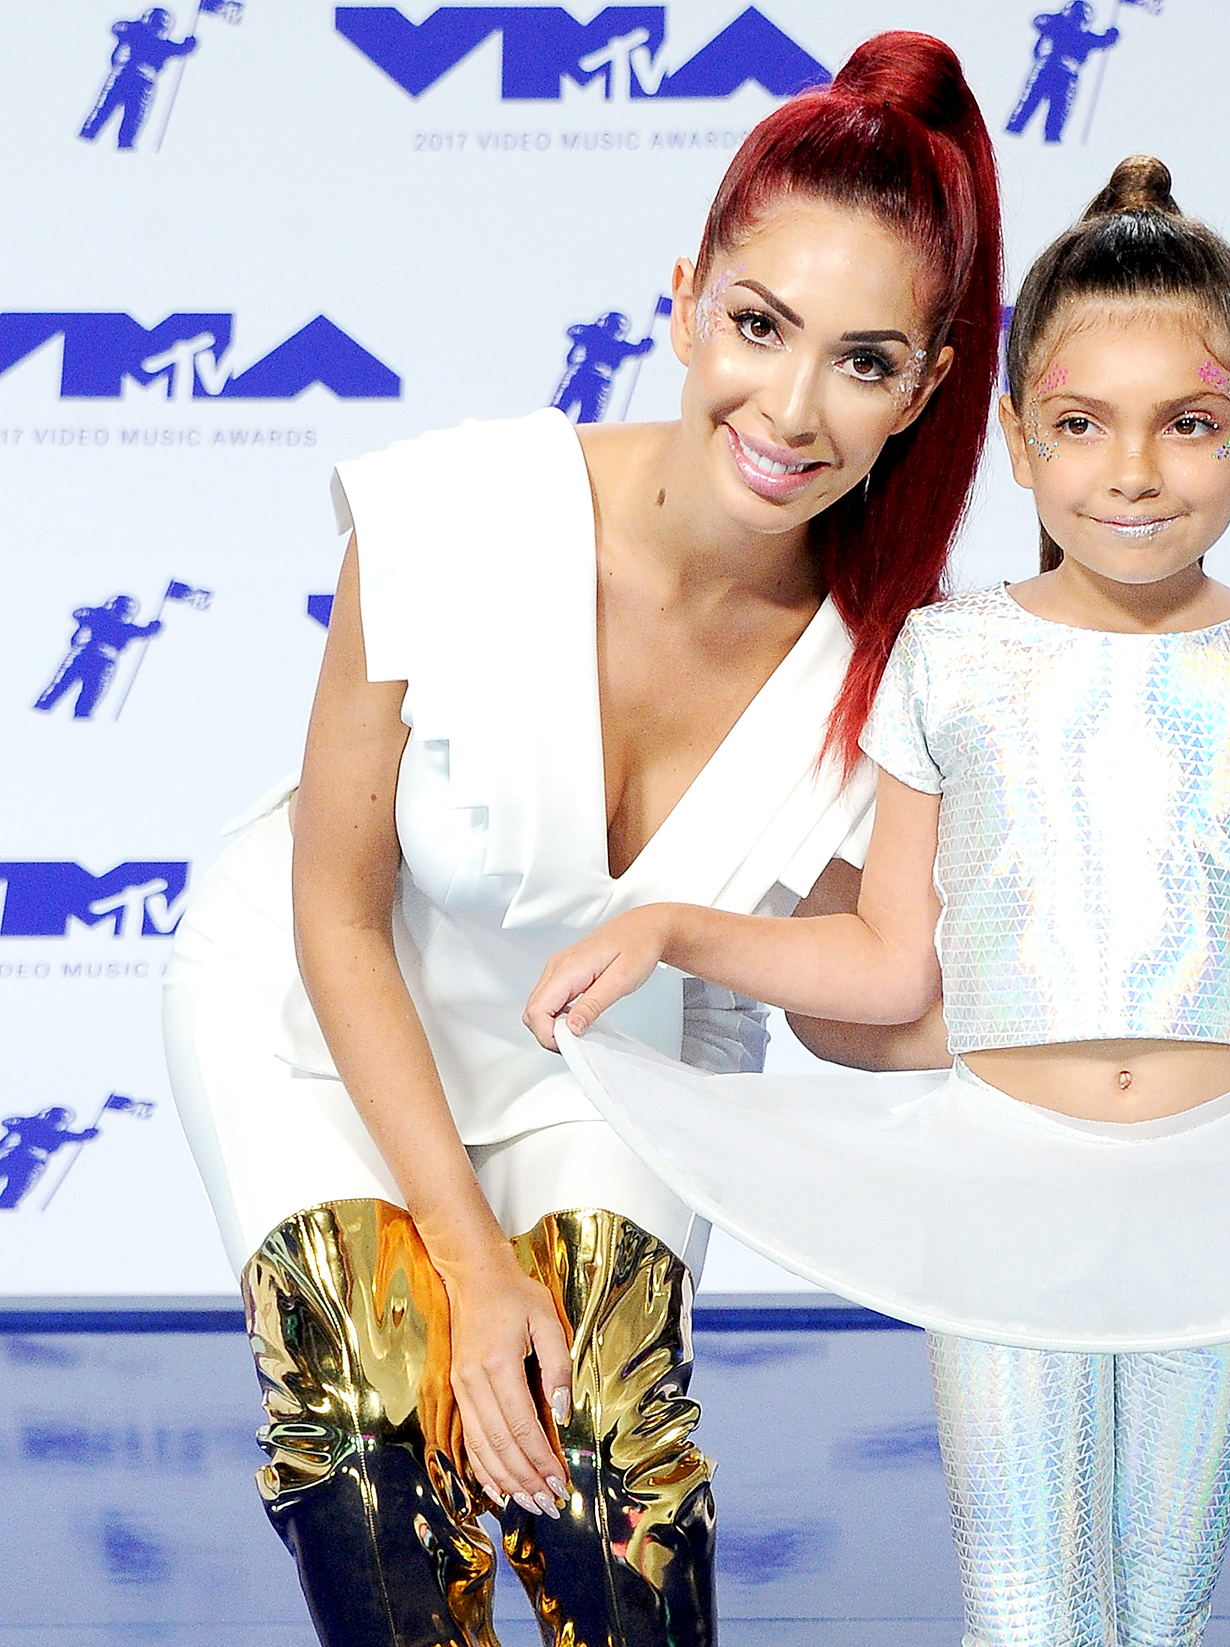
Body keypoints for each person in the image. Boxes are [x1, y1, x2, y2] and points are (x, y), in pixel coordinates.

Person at [527, 156, 1230, 1643]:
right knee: (1024, 1609)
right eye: (1080, 424)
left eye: (1189, 425)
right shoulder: (951, 660)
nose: (1132, 471)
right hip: (1004, 1182)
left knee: (1159, 1612)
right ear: (1017, 440)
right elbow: (892, 969)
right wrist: (678, 928)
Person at [161, 32, 1001, 1647]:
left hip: (614, 1062)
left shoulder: (901, 662)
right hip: (319, 1018)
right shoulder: (453, 516)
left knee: (607, 1480)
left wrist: (1160, 1034)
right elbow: (335, 912)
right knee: (372, 1452)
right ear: (686, 298)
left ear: (933, 384)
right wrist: (470, 1264)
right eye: (761, 327)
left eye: (866, 359)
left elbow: (865, 1000)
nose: (794, 406)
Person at [78, 8, 197, 150]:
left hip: (136, 83)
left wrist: (189, 44)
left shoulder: (154, 41)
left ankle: (113, 149)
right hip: (127, 79)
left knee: (127, 126)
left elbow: (182, 49)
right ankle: (87, 143)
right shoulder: (138, 33)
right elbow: (117, 27)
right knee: (107, 119)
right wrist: (189, 44)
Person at [1007, 1, 1120, 144]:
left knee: (1056, 115)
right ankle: (1014, 134)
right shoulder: (1057, 25)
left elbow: (1104, 41)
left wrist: (1111, 35)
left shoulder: (1083, 36)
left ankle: (1049, 143)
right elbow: (1038, 20)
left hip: (1066, 76)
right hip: (1048, 69)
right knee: (1028, 108)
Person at [34, 595, 162, 719]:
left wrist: (152, 628)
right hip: (98, 660)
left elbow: (78, 613)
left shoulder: (98, 616)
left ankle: (37, 715)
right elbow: (146, 632)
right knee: (84, 703)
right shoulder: (120, 625)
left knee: (60, 694)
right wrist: (154, 627)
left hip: (85, 656)